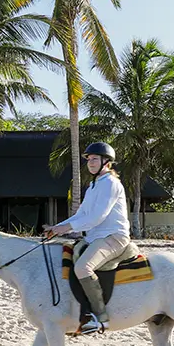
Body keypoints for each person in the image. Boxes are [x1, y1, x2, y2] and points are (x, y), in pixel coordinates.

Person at [42, 142, 131, 333]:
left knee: (83, 267)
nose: (90, 163)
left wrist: (66, 227)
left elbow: (96, 217)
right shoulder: (92, 187)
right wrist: (57, 228)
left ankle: (100, 317)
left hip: (113, 237)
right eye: (89, 159)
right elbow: (81, 214)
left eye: (95, 159)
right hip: (94, 238)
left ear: (106, 163)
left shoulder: (111, 184)